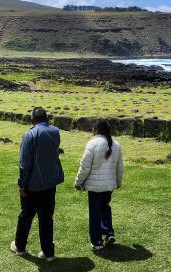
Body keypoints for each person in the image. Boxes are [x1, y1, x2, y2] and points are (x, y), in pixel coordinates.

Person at [10, 107, 64, 261]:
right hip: (50, 183)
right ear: (46, 118)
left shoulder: (29, 135)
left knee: (26, 215)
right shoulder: (55, 131)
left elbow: (24, 164)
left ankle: (20, 246)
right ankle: (48, 252)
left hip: (32, 185)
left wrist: (21, 184)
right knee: (46, 217)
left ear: (32, 119)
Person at [74, 120, 124, 250]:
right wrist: (118, 182)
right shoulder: (116, 145)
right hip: (109, 185)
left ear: (96, 130)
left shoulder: (93, 144)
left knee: (95, 212)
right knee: (105, 208)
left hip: (94, 186)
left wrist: (78, 182)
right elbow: (120, 167)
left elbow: (84, 167)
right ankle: (109, 232)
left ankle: (97, 241)